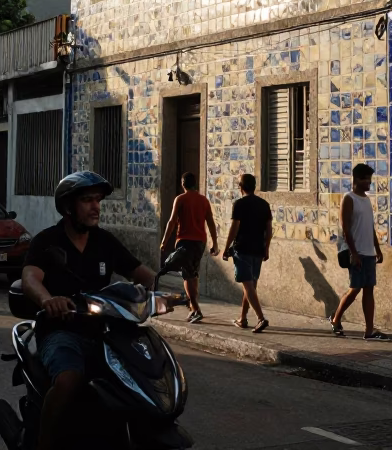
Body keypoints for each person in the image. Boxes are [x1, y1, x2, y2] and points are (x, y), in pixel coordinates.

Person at [22, 171, 156, 450]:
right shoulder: (47, 242)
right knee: (69, 378)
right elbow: (30, 279)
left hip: (106, 334)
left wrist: (167, 294)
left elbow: (143, 274)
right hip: (62, 332)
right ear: (69, 207)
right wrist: (48, 300)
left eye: (98, 200)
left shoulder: (105, 242)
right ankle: (42, 444)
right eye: (87, 200)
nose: (96, 206)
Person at [329, 163, 387, 340]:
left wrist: (377, 249)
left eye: (369, 178)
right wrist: (353, 253)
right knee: (355, 289)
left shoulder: (367, 199)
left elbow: (370, 227)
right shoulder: (349, 199)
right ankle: (336, 319)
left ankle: (369, 331)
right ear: (356, 179)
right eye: (365, 178)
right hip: (357, 252)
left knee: (369, 290)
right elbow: (346, 228)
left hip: (369, 252)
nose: (368, 182)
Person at [159, 171, 217, 323]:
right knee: (194, 274)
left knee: (187, 275)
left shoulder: (180, 199)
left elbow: (171, 221)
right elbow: (211, 222)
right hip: (200, 242)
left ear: (183, 184)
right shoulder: (204, 200)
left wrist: (164, 241)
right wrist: (215, 243)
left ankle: (196, 309)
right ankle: (192, 307)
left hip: (185, 241)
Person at [220, 173, 272, 333]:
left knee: (248, 286)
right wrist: (266, 248)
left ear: (240, 187)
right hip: (258, 250)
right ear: (254, 187)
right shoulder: (264, 204)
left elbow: (234, 228)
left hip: (242, 249)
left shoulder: (239, 204)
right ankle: (242, 318)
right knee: (250, 287)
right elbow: (269, 230)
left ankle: (261, 318)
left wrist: (226, 246)